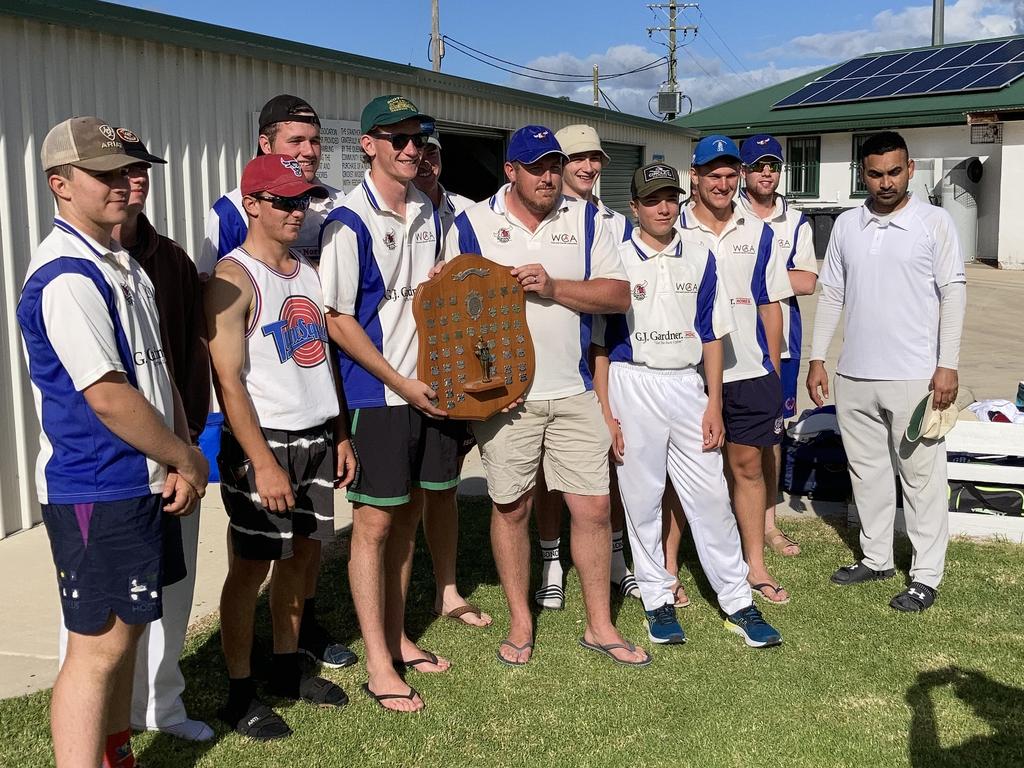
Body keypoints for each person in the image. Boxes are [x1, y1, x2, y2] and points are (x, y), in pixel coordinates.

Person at [18, 116, 208, 768]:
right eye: (107, 173)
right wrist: (183, 455)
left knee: (124, 640)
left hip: (141, 480)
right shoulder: (69, 275)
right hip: (97, 486)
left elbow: (157, 372)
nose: (128, 184)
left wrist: (179, 452)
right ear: (60, 184)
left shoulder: (123, 261)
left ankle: (115, 752)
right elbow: (108, 395)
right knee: (95, 650)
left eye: (134, 170)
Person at [446, 125, 650, 667]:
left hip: (577, 390)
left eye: (554, 166)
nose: (549, 177)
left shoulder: (587, 219)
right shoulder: (471, 223)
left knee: (594, 507)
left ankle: (600, 626)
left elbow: (618, 294)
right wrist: (484, 386)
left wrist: (554, 287)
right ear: (510, 170)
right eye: (536, 167)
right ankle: (520, 623)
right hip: (504, 399)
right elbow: (448, 313)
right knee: (512, 507)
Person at [199, 93, 355, 670]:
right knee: (252, 567)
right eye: (282, 201)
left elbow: (322, 365)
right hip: (266, 440)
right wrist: (259, 460)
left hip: (316, 435)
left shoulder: (310, 273)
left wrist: (340, 433)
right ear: (252, 203)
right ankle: (241, 686)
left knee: (303, 557)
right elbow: (229, 379)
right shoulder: (231, 277)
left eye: (303, 201)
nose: (296, 211)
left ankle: (289, 666)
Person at [598, 161, 782, 648]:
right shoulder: (614, 259)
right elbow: (597, 344)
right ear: (634, 207)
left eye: (670, 198)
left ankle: (738, 599)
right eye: (652, 199)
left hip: (686, 385)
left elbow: (712, 335)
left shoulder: (700, 254)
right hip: (632, 382)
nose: (663, 206)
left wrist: (714, 403)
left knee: (711, 496)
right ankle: (656, 598)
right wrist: (606, 411)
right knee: (641, 497)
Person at [320, 95, 457, 712]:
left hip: (426, 390)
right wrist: (400, 384)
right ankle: (378, 662)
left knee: (405, 519)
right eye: (394, 137)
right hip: (379, 395)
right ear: (368, 144)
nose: (410, 147)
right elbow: (338, 320)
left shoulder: (429, 209)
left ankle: (398, 638)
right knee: (373, 526)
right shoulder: (346, 221)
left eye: (417, 136)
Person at [807, 130, 965, 612]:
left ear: (910, 169)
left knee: (920, 477)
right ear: (863, 174)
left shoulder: (934, 223)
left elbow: (953, 292)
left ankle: (925, 574)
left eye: (894, 171)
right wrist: (819, 357)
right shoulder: (847, 226)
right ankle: (876, 558)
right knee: (868, 472)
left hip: (916, 375)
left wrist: (948, 365)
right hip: (855, 374)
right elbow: (832, 293)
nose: (886, 181)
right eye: (875, 174)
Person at [678, 135, 794, 604]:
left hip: (749, 370)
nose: (723, 183)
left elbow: (771, 304)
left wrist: (772, 364)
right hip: (687, 371)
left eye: (730, 174)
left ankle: (755, 566)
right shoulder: (672, 224)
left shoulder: (759, 231)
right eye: (713, 174)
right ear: (695, 176)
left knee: (748, 468)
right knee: (679, 477)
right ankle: (668, 570)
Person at [530, 124, 639, 609]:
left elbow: (620, 293)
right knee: (545, 477)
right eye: (577, 158)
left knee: (606, 466)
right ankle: (551, 562)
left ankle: (617, 560)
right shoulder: (540, 216)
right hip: (563, 362)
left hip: (609, 351)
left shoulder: (615, 221)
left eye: (595, 158)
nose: (588, 167)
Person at [410, 131, 491, 628]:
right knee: (401, 491)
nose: (424, 160)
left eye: (433, 151)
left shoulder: (467, 211)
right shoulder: (384, 209)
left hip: (455, 365)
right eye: (416, 151)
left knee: (443, 482)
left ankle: (446, 587)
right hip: (401, 366)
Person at [738, 134, 818, 558]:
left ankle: (768, 524)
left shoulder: (796, 220)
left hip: (780, 346)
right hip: (730, 343)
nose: (766, 173)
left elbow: (807, 280)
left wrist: (749, 281)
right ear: (744, 172)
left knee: (772, 437)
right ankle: (732, 518)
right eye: (758, 166)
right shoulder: (728, 215)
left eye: (773, 166)